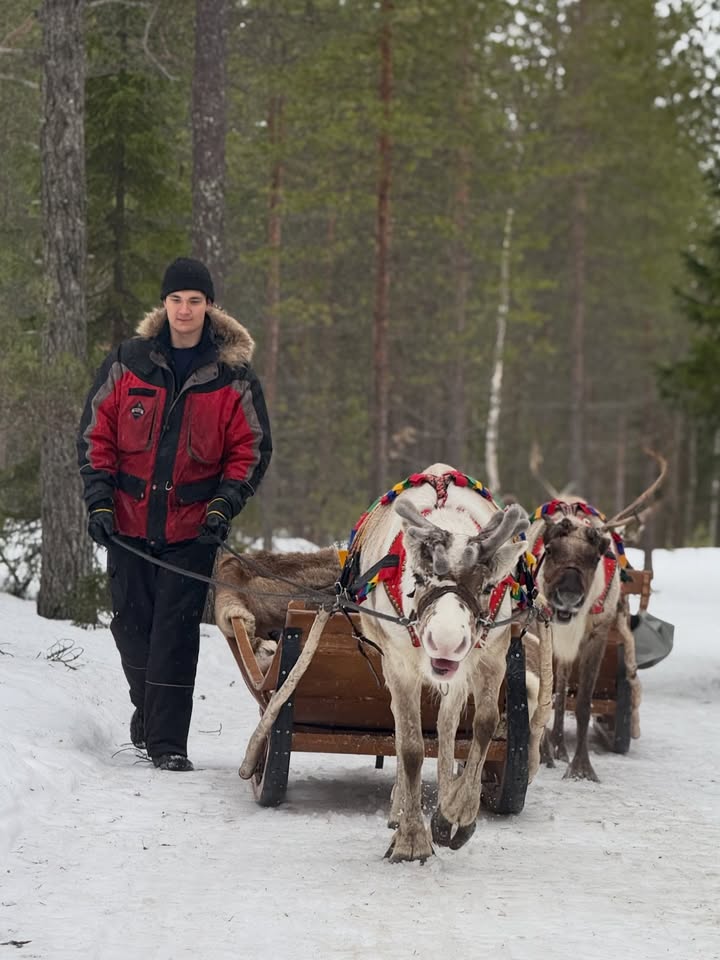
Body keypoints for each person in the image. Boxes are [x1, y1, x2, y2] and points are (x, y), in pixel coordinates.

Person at [77, 257, 272, 771]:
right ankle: (149, 711)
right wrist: (98, 500)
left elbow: (249, 450)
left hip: (192, 532)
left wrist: (223, 504)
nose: (185, 310)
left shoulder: (232, 376)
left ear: (209, 307)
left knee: (175, 637)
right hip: (127, 526)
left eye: (195, 300)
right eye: (176, 300)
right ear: (163, 305)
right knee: (132, 630)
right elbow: (96, 435)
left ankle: (166, 744)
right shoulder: (128, 362)